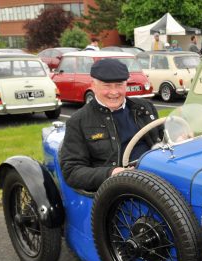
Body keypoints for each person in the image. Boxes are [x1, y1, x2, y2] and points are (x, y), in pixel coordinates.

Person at [59, 59, 162, 192]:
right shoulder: (78, 121)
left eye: (119, 85)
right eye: (107, 86)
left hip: (156, 177)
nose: (114, 92)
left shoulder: (145, 108)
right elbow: (72, 171)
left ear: (126, 85)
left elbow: (163, 140)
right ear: (93, 86)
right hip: (118, 191)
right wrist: (112, 173)